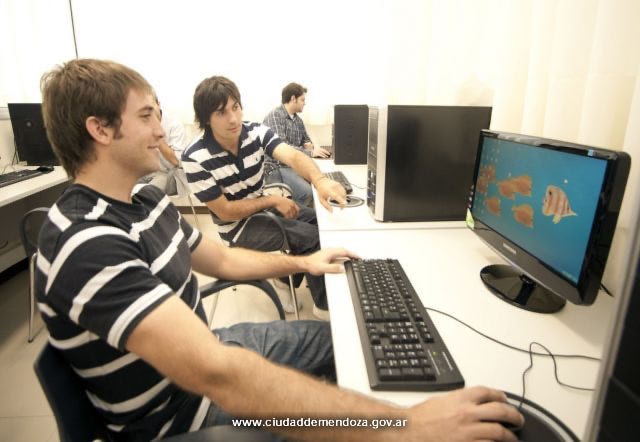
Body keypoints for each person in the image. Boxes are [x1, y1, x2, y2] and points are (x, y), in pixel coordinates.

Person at [37, 58, 523, 442]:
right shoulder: (85, 241)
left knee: (347, 347)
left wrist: (305, 261)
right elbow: (216, 373)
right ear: (101, 129)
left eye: (158, 115)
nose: (162, 131)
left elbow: (219, 260)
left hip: (210, 350)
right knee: (360, 418)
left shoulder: (144, 201)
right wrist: (403, 427)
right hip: (182, 415)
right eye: (146, 116)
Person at [182, 76, 345, 319]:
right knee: (312, 239)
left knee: (320, 223)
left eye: (236, 107)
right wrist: (272, 200)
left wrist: (320, 181)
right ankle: (323, 307)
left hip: (263, 209)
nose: (233, 118)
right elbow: (225, 211)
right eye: (222, 112)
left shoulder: (256, 132)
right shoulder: (195, 156)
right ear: (206, 119)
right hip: (237, 228)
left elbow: (292, 156)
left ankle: (284, 278)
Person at [262, 82, 330, 206]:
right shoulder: (275, 116)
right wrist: (310, 152)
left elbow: (306, 141)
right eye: (302, 99)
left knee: (320, 180)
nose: (305, 103)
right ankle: (294, 215)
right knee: (307, 192)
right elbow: (282, 148)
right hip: (277, 166)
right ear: (293, 98)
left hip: (293, 164)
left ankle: (305, 212)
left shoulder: (298, 120)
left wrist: (311, 146)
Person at [139, 94, 189, 196]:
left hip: (170, 174)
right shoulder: (138, 124)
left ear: (158, 104)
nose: (148, 113)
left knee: (148, 193)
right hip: (146, 172)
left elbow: (176, 162)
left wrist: (157, 134)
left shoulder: (174, 126)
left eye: (150, 107)